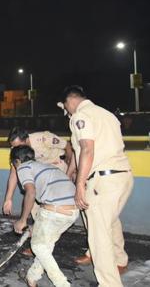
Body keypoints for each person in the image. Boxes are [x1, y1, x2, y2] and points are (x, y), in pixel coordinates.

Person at [62, 86, 133, 287]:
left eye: (65, 107)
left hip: (102, 180)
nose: (66, 112)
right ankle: (119, 260)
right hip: (123, 175)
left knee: (98, 235)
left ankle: (110, 283)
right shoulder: (107, 114)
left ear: (69, 101)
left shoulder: (79, 116)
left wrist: (79, 184)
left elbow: (87, 149)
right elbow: (80, 150)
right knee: (110, 221)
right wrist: (70, 174)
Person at [11, 145, 79, 287]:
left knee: (38, 247)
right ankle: (32, 278)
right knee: (45, 246)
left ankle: (62, 284)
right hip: (72, 211)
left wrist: (22, 220)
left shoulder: (23, 167)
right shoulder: (44, 166)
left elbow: (30, 193)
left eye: (13, 164)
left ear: (17, 161)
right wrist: (33, 227)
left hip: (54, 209)